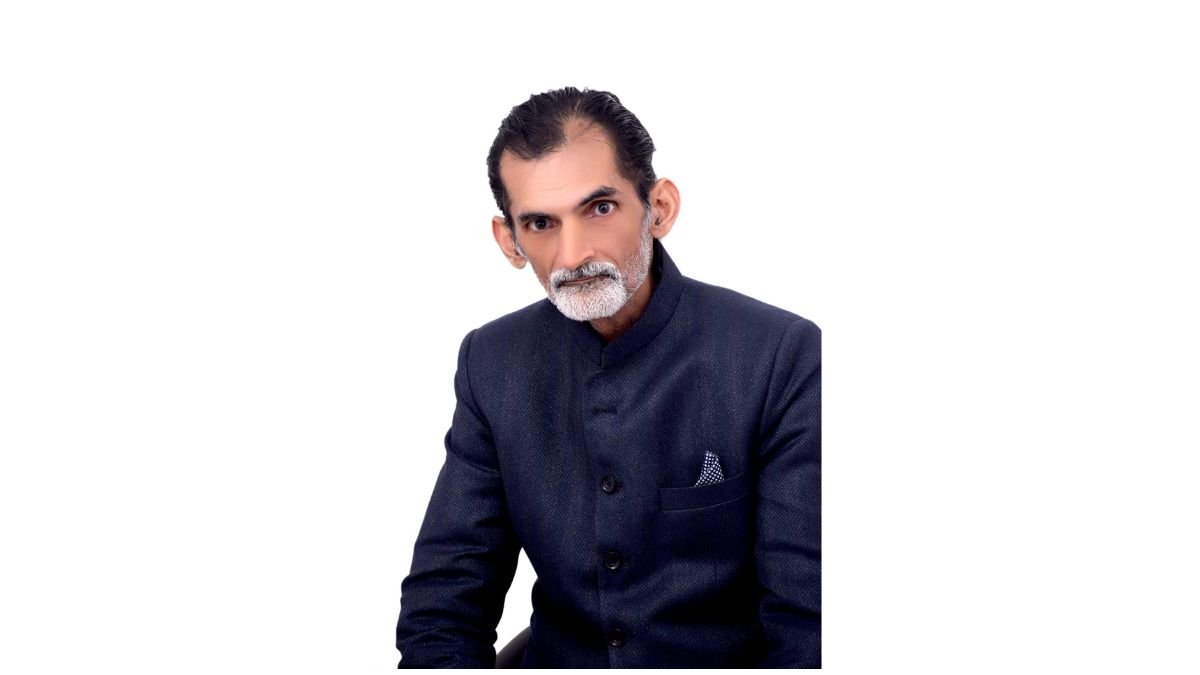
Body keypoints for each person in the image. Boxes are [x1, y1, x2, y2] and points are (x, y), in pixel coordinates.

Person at [395, 87, 820, 668]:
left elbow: (809, 620)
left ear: (659, 208)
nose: (573, 255)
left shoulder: (777, 354)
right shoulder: (490, 362)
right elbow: (447, 596)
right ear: (509, 240)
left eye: (599, 208)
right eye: (540, 223)